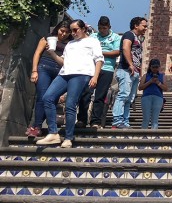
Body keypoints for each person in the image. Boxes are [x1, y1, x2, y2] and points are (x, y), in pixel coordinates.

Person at [36, 20, 104, 148]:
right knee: (47, 98)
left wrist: (95, 76)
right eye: (71, 30)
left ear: (83, 29)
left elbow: (99, 59)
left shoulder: (93, 41)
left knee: (70, 104)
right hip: (65, 73)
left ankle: (68, 137)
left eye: (75, 30)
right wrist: (51, 52)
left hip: (82, 74)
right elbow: (63, 62)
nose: (72, 33)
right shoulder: (70, 44)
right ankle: (53, 133)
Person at [26, 20, 72, 138]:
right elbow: (37, 53)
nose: (64, 34)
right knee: (42, 96)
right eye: (62, 31)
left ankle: (39, 125)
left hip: (59, 71)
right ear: (58, 29)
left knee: (52, 99)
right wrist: (34, 71)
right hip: (44, 67)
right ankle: (37, 127)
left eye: (67, 32)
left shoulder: (71, 44)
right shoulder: (48, 38)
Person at [111, 17, 147, 129]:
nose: (146, 28)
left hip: (134, 72)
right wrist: (131, 64)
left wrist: (139, 72)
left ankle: (125, 121)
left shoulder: (138, 38)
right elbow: (126, 48)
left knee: (130, 98)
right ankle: (117, 120)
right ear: (136, 25)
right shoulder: (129, 34)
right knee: (123, 95)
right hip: (126, 70)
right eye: (144, 26)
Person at [88, 16, 121, 128]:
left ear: (109, 27)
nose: (102, 30)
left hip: (107, 68)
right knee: (86, 94)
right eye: (100, 28)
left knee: (100, 96)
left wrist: (99, 53)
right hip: (91, 68)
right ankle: (82, 119)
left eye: (104, 28)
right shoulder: (93, 36)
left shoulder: (116, 37)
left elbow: (116, 52)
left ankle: (95, 121)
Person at [138, 58, 166, 129]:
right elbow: (140, 87)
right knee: (146, 118)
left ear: (159, 67)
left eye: (156, 67)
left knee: (155, 119)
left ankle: (154, 136)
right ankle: (143, 136)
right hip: (146, 97)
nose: (155, 69)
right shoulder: (146, 75)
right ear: (150, 67)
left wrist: (158, 83)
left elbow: (166, 88)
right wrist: (150, 82)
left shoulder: (162, 76)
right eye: (153, 67)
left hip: (158, 97)